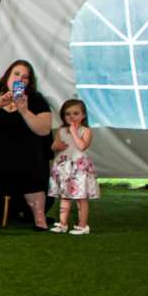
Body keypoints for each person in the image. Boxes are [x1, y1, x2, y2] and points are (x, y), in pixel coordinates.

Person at [0, 58, 56, 229]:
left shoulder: (35, 99)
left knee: (33, 160)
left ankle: (39, 219)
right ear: (8, 74)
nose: (20, 79)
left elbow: (44, 129)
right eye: (16, 74)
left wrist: (23, 110)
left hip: (23, 154)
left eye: (25, 77)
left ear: (29, 82)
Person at [49, 98, 98, 234]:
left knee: (80, 197)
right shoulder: (61, 130)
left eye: (75, 113)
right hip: (64, 167)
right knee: (64, 196)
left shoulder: (85, 130)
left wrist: (74, 132)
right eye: (67, 114)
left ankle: (83, 225)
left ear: (83, 115)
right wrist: (57, 146)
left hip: (78, 167)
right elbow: (54, 145)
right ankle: (63, 223)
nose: (71, 117)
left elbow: (82, 146)